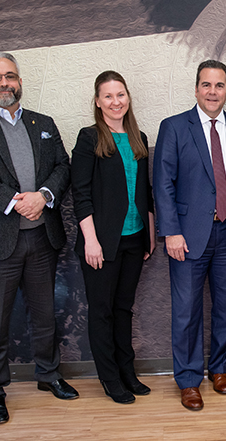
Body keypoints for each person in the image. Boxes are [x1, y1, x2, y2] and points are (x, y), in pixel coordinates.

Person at [0, 52, 78, 424]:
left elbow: (61, 167)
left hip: (41, 238)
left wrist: (44, 196)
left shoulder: (44, 123)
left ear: (20, 81)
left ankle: (49, 375)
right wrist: (13, 202)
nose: (4, 82)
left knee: (44, 316)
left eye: (10, 76)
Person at [153, 60, 226, 411]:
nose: (213, 92)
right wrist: (170, 232)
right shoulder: (174, 127)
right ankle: (188, 380)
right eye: (207, 85)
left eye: (220, 85)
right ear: (196, 88)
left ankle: (220, 369)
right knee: (186, 311)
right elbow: (163, 184)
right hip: (188, 235)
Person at [70, 71, 156, 404]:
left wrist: (150, 234)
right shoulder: (89, 137)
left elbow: (144, 193)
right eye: (108, 96)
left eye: (120, 95)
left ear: (128, 98)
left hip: (135, 239)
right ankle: (109, 378)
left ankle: (127, 372)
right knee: (102, 311)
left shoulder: (138, 137)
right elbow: (80, 194)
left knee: (123, 309)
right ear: (97, 101)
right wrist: (91, 241)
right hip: (101, 243)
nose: (115, 101)